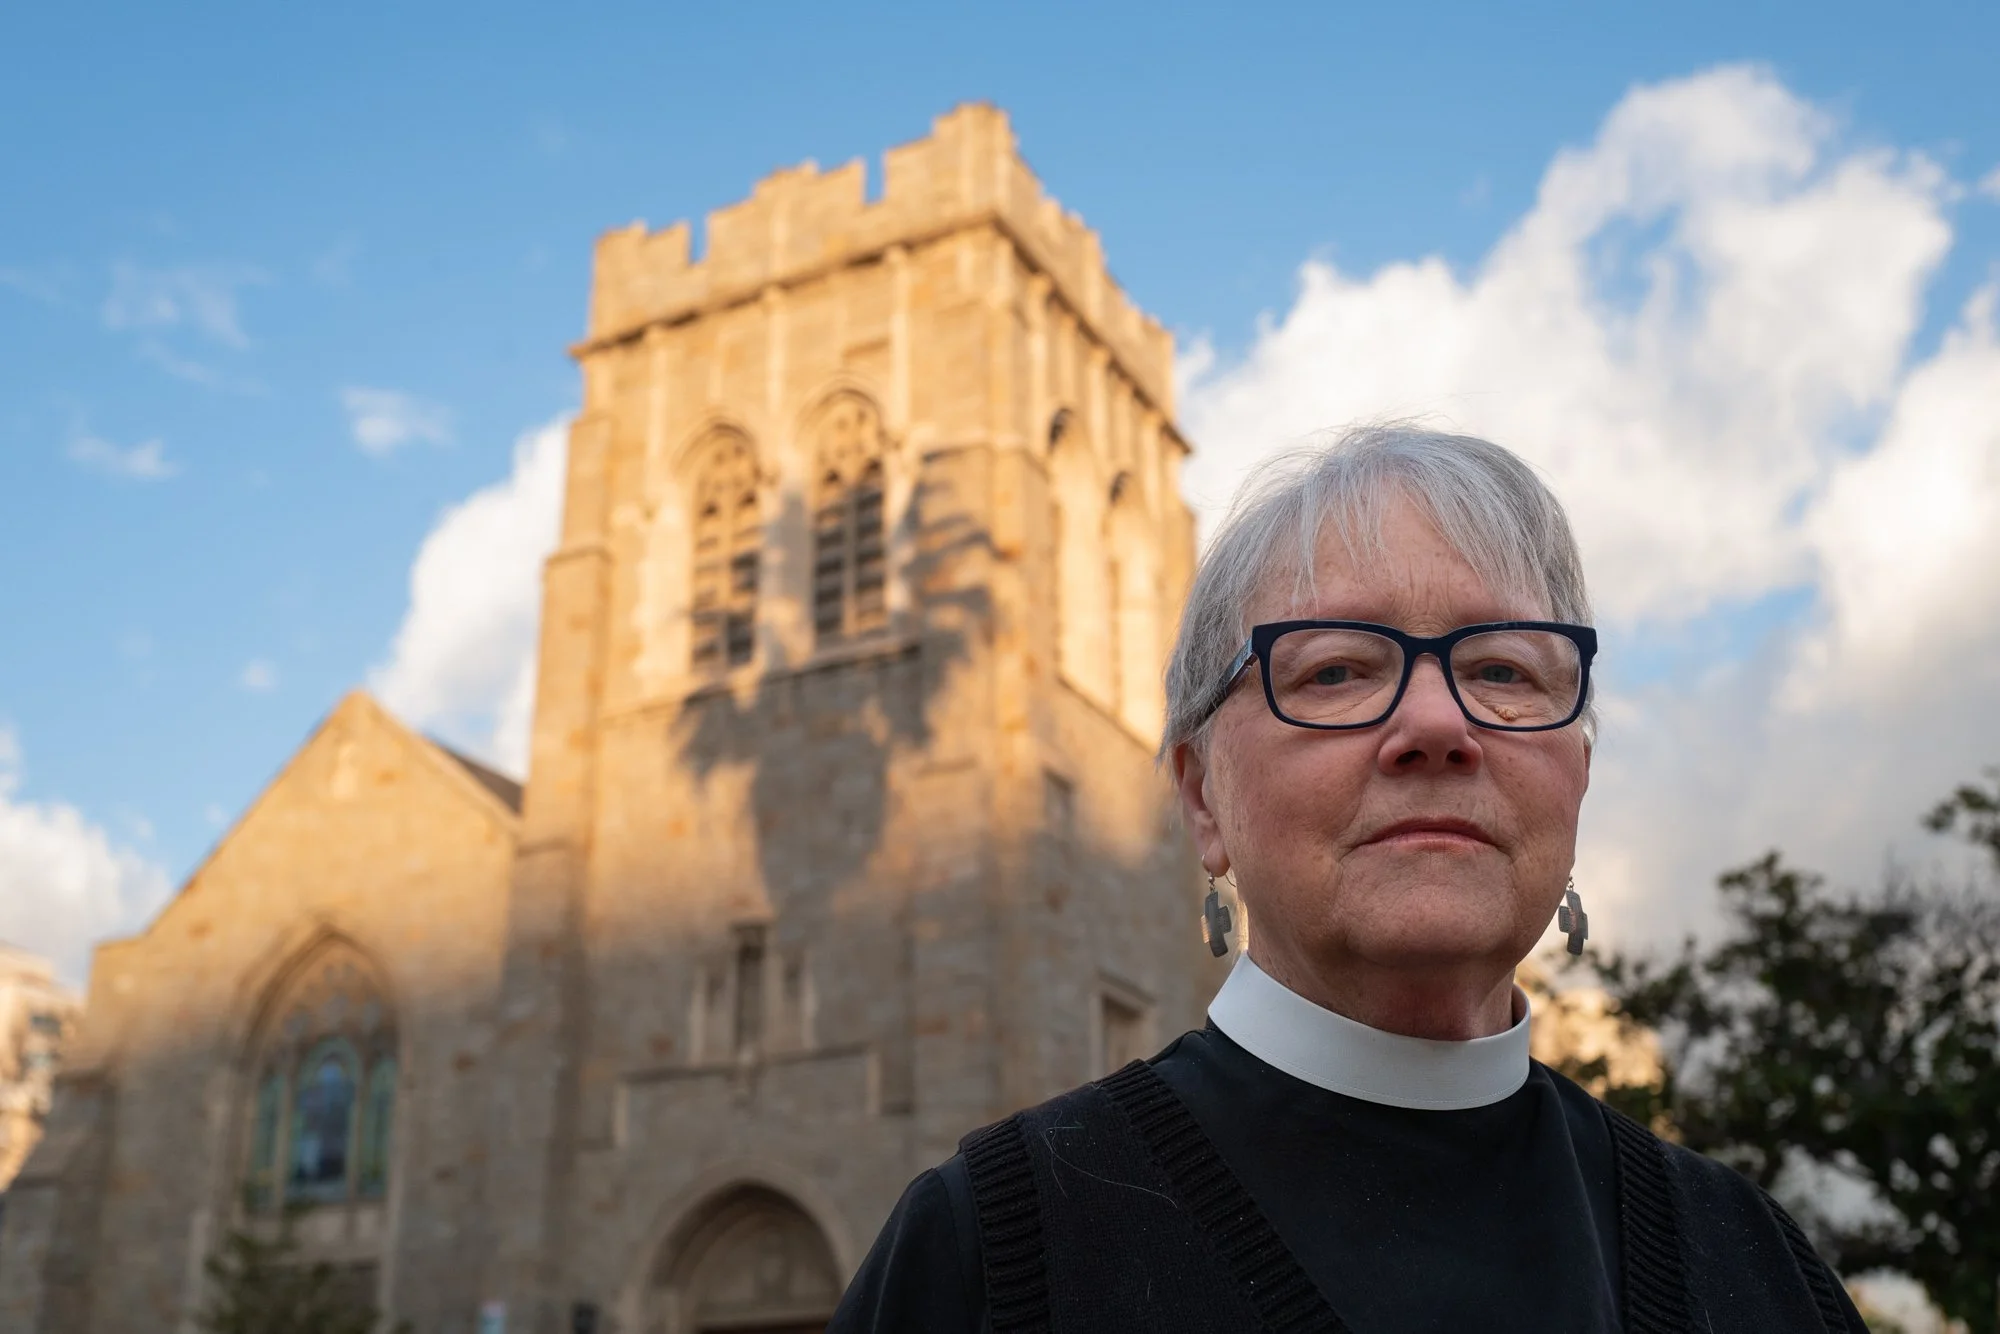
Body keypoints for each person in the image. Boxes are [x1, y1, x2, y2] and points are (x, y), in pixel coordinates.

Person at [829, 425, 1865, 1333]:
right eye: (1335, 669)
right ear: (1201, 797)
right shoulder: (995, 1250)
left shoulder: (1753, 1265)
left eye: (1501, 669)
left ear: (1576, 777)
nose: (1434, 725)